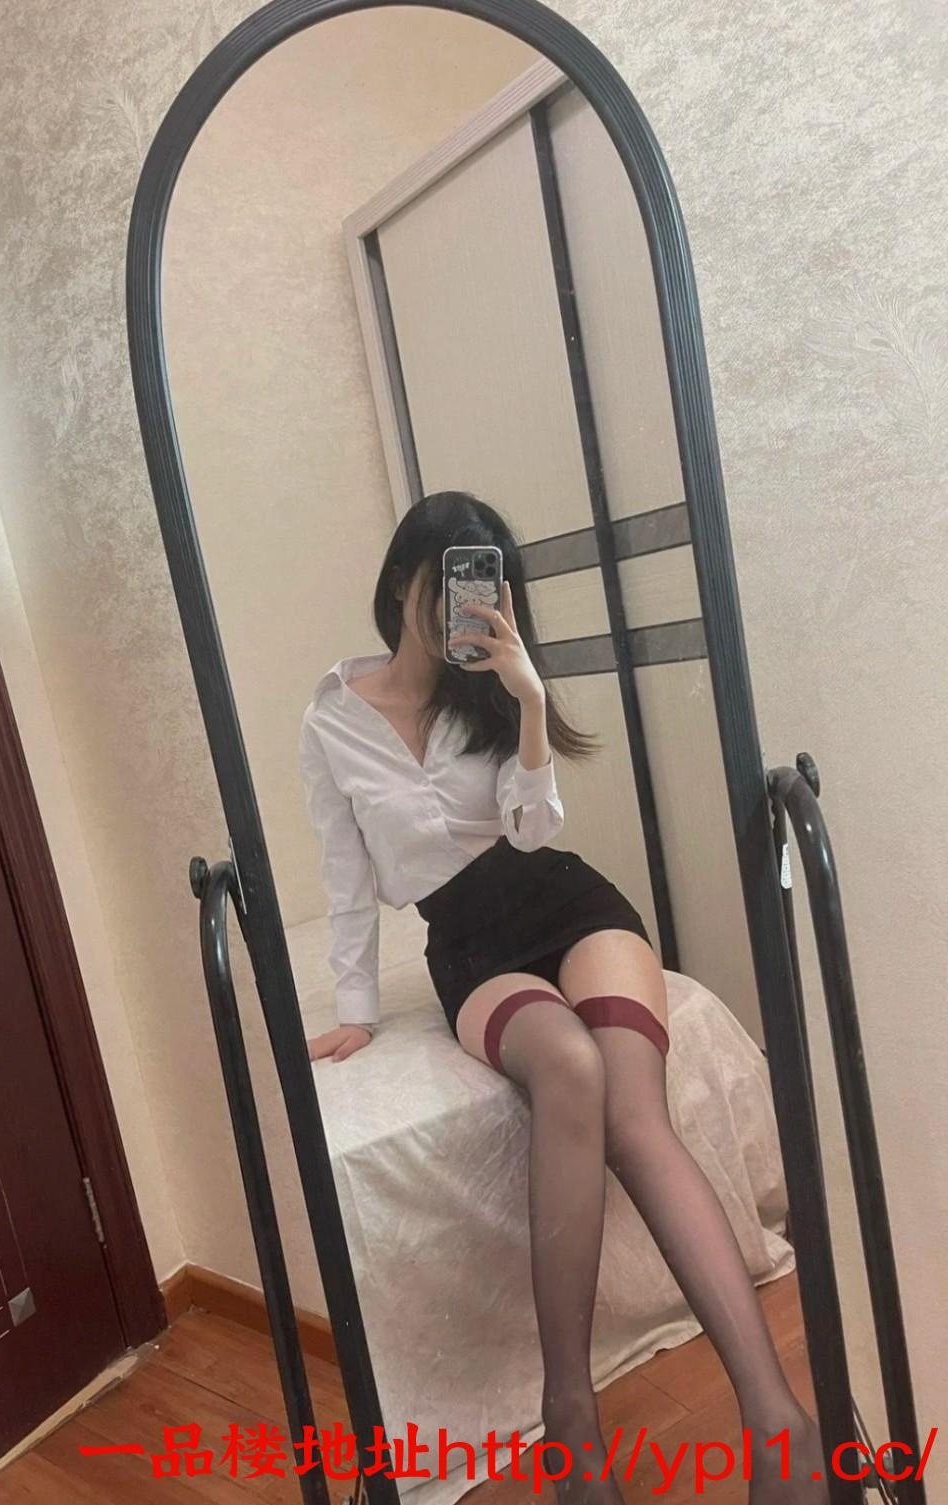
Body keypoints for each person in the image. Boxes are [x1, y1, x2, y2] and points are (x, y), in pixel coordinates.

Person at [298, 491, 827, 1505]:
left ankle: (778, 1423)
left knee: (635, 1109)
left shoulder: (494, 695)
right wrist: (357, 1008)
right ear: (404, 580)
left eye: (487, 585)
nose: (462, 607)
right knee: (570, 1065)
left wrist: (530, 702)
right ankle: (570, 1413)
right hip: (471, 944)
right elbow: (345, 876)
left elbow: (535, 833)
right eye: (446, 582)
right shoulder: (332, 719)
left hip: (574, 906)